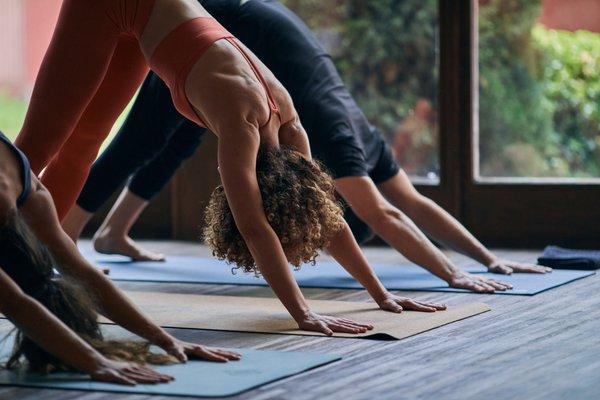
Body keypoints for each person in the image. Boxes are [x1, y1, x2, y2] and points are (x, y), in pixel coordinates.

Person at [63, 0, 550, 294]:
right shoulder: (334, 143)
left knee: (180, 133)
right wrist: (452, 275)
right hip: (204, 17)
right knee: (136, 143)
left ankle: (112, 233)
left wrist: (486, 260)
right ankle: (65, 236)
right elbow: (385, 216)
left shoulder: (340, 138)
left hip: (231, 27)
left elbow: (408, 205)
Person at [15, 0, 441, 335]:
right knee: (36, 150)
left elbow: (329, 219)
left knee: (84, 147)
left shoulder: (291, 128)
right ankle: (10, 244)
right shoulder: (243, 127)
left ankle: (25, 254)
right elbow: (255, 228)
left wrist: (382, 295)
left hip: (143, 17)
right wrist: (303, 313)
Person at [0, 130, 240, 384]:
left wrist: (166, 340)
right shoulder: (27, 188)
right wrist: (96, 361)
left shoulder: (24, 191)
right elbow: (16, 302)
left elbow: (76, 276)